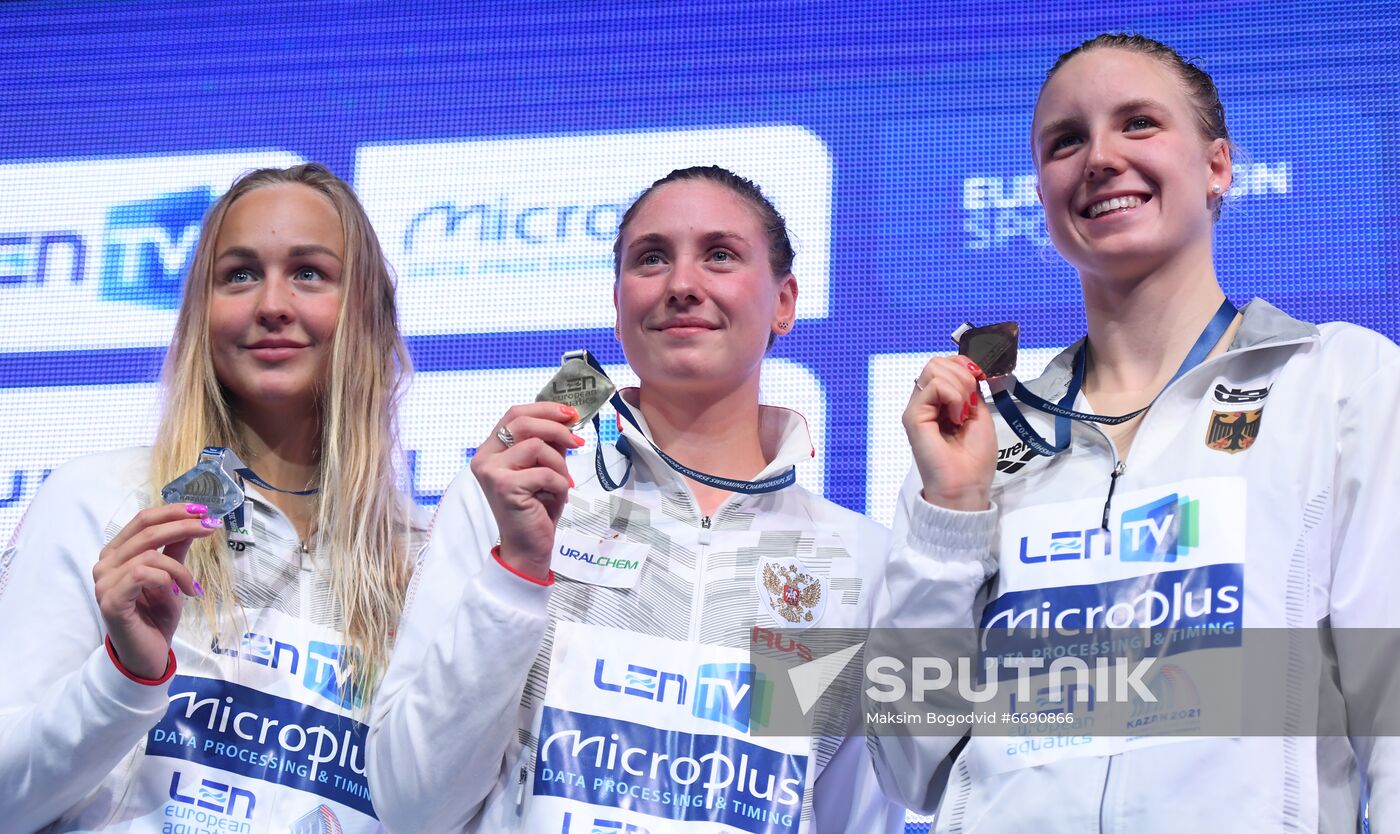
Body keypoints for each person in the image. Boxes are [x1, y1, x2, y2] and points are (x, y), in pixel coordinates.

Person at [869, 33, 1399, 832]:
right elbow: (909, 768)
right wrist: (951, 515)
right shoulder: (981, 437)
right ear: (1042, 193)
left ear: (1217, 165)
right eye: (1066, 141)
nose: (1100, 158)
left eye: (1139, 123)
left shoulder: (1337, 383)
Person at [367, 166, 908, 833]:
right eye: (651, 258)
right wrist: (518, 573)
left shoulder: (859, 562)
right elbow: (411, 805)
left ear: (784, 302)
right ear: (619, 305)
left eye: (720, 255)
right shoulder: (512, 498)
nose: (682, 284)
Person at [0, 163, 425, 833]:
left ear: (369, 312)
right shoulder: (102, 502)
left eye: (309, 273)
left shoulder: (420, 561)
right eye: (240, 275)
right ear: (201, 311)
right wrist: (125, 674)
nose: (272, 305)